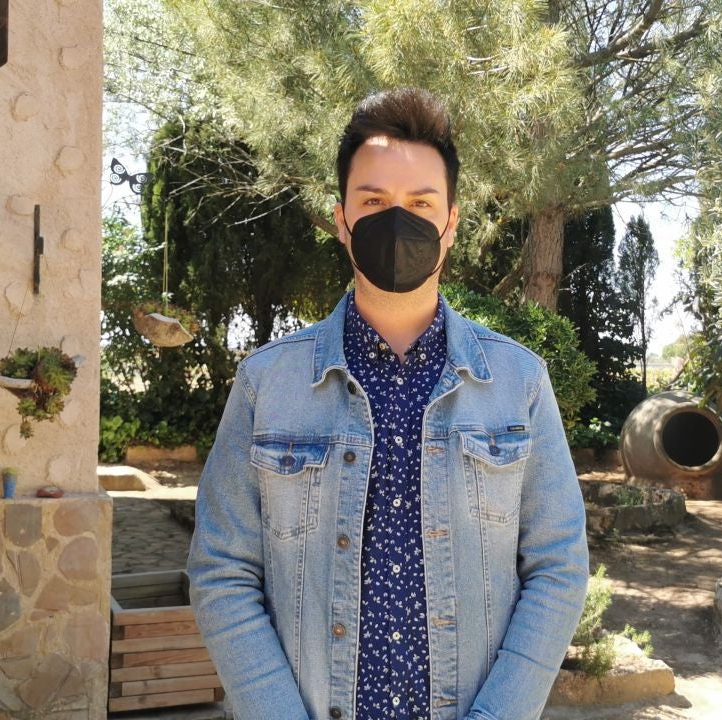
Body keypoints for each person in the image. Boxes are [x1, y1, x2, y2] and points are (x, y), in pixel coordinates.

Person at [187, 86, 590, 720]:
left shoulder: (520, 383)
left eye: (420, 203)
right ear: (341, 219)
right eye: (373, 201)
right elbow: (222, 572)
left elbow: (558, 569)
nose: (397, 221)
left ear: (450, 223)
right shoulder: (267, 384)